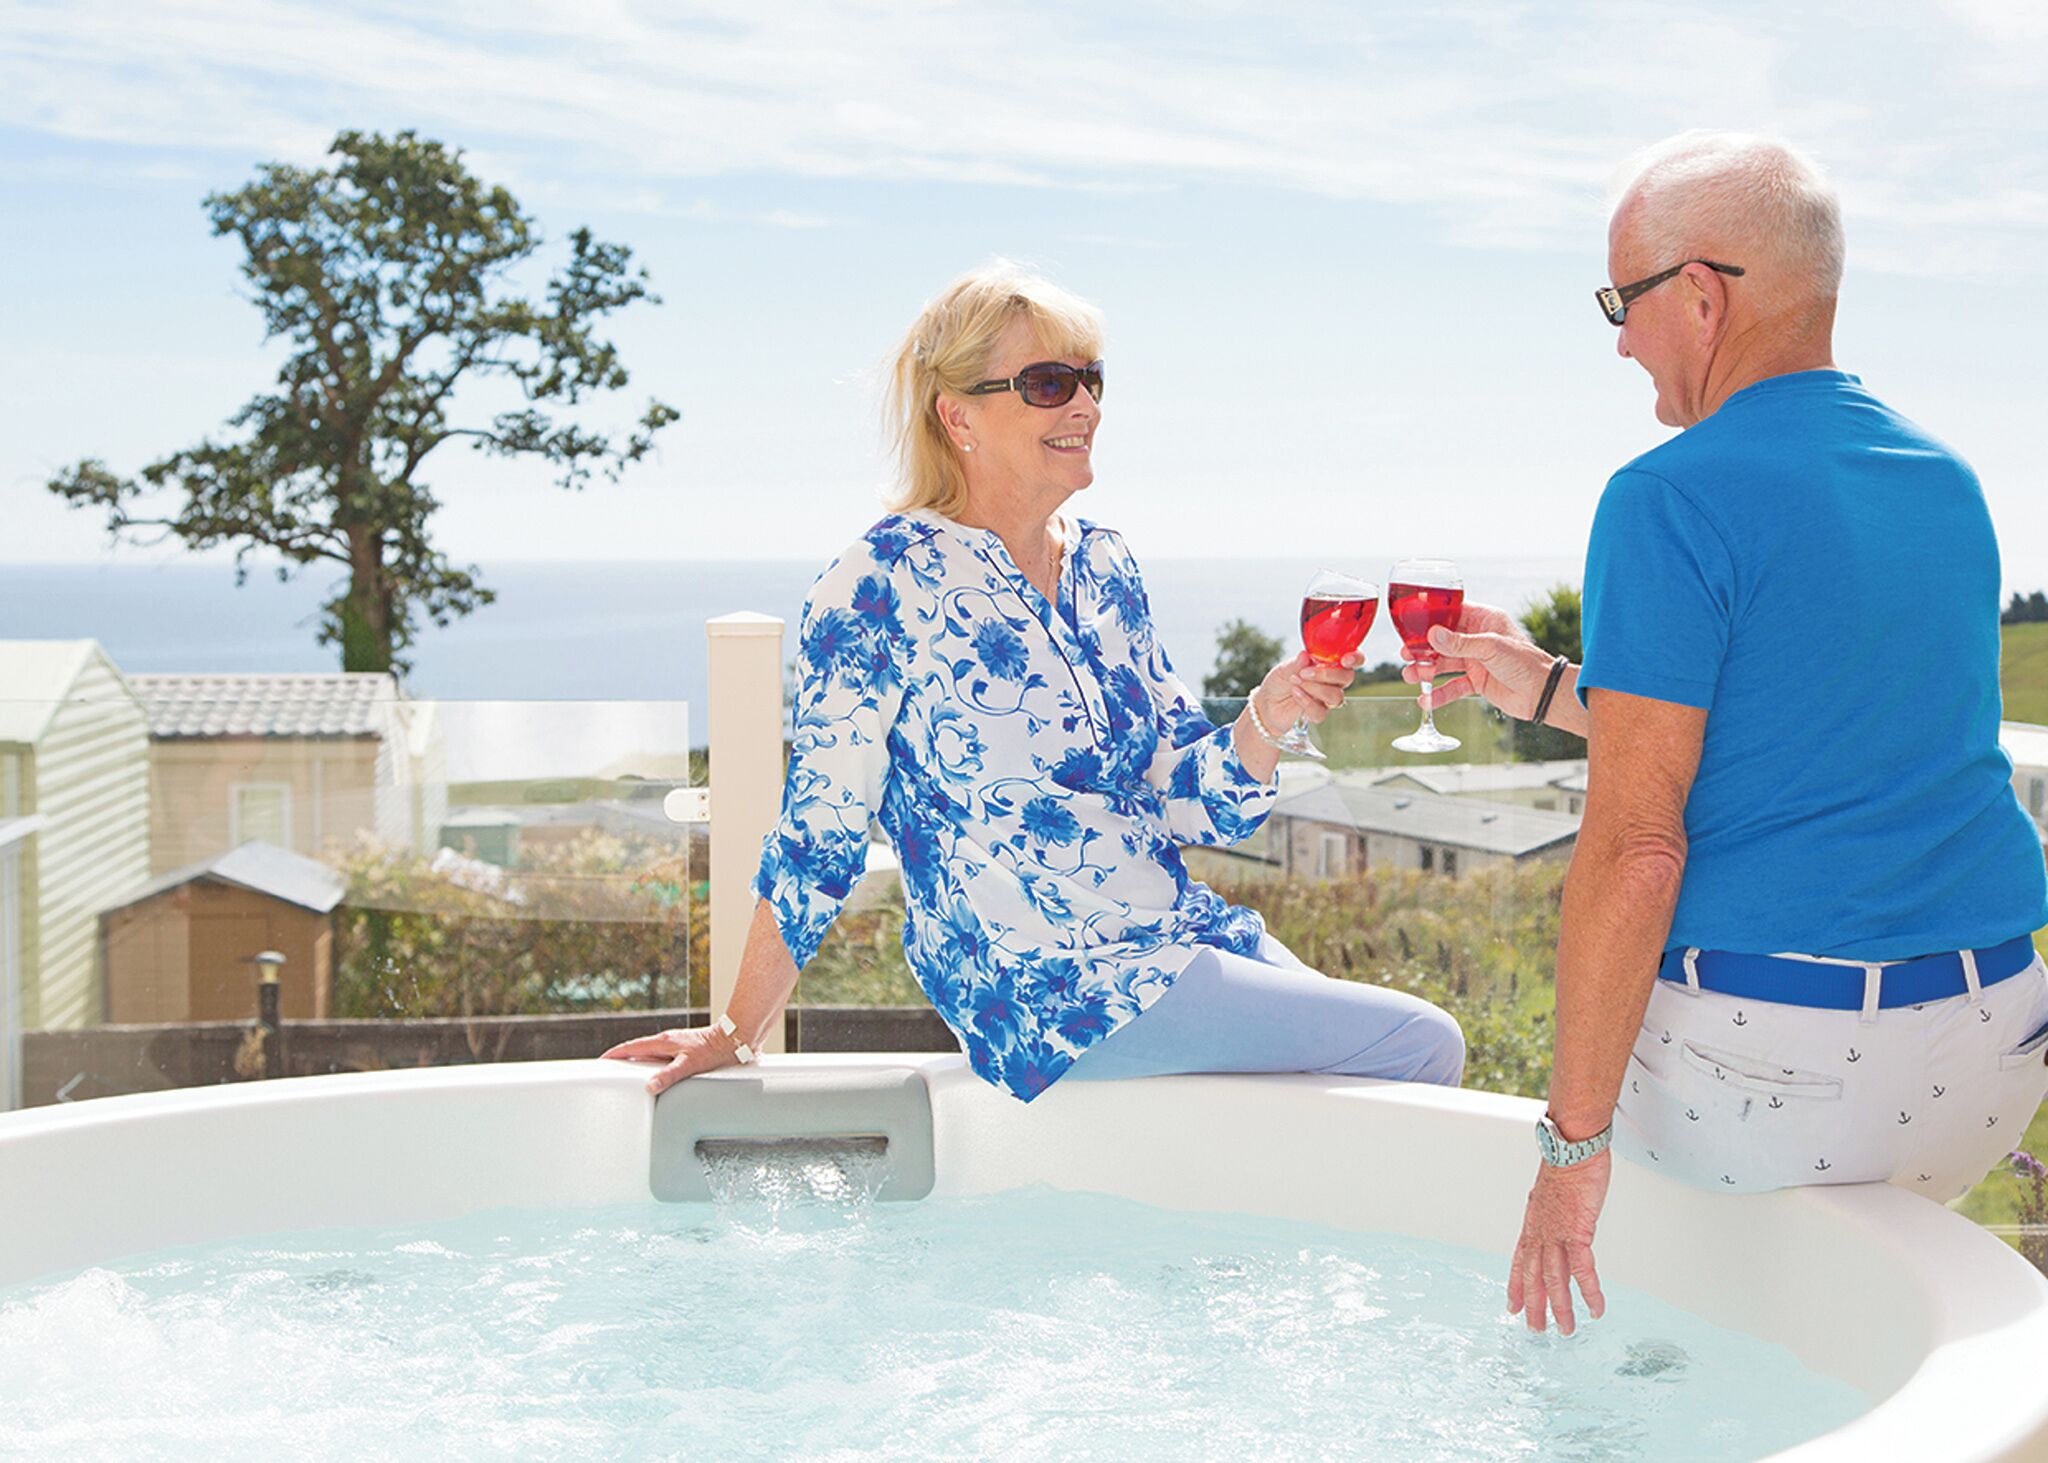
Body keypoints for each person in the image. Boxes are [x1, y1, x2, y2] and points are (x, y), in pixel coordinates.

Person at [1408, 132, 2048, 1336]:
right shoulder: (1941, 478)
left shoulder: (1667, 493)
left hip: (1784, 1074)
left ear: (1698, 295)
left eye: (1622, 302)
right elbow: (1793, 716)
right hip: (1991, 1049)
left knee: (1584, 1333)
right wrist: (1543, 686)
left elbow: (1637, 851)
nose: (1618, 341)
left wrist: (1569, 1149)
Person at [604, 262, 1463, 1102]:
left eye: (1091, 379)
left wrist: (1264, 720)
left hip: (1182, 942)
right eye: (1049, 383)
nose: (1085, 405)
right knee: (1423, 1045)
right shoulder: (881, 581)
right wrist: (737, 1029)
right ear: (958, 416)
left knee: (1374, 1086)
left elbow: (1188, 802)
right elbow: (819, 832)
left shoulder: (1106, 564)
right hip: (1053, 996)